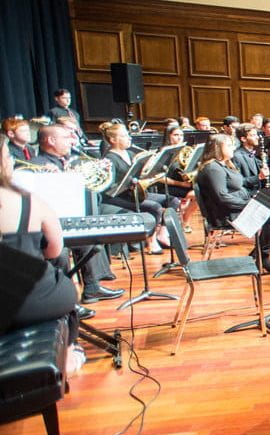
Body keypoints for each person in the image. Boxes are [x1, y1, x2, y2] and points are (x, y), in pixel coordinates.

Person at [0, 135, 83, 370]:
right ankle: (67, 352)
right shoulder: (28, 201)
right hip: (38, 301)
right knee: (65, 281)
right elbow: (53, 249)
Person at [26, 125, 124, 308]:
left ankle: (92, 287)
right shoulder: (37, 165)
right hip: (47, 227)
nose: (71, 141)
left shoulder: (71, 160)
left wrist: (99, 168)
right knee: (61, 253)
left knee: (89, 240)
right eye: (65, 137)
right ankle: (65, 299)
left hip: (69, 221)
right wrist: (55, 179)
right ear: (51, 140)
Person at [194, 134, 270, 274]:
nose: (233, 148)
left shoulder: (225, 164)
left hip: (238, 206)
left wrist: (259, 185)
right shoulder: (213, 169)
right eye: (229, 145)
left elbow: (241, 184)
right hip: (227, 214)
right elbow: (222, 198)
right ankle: (262, 256)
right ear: (217, 148)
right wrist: (250, 203)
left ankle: (259, 254)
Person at [101, 123, 179, 254]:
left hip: (134, 193)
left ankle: (162, 234)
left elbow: (141, 174)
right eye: (124, 135)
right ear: (113, 140)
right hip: (117, 197)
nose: (129, 138)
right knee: (155, 207)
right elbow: (109, 185)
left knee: (173, 201)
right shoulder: (109, 158)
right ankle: (151, 241)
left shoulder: (131, 154)